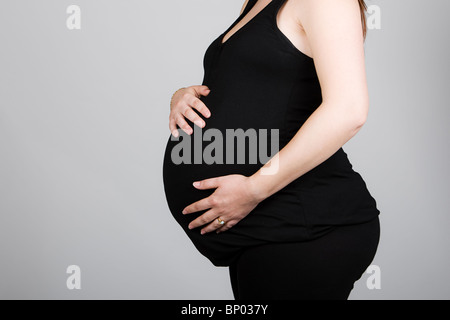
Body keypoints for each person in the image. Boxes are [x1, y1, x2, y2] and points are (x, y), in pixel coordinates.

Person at [162, 0, 380, 300]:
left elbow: (349, 110)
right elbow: (253, 88)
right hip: (263, 231)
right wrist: (182, 95)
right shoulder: (256, 2)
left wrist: (253, 189)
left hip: (303, 225)